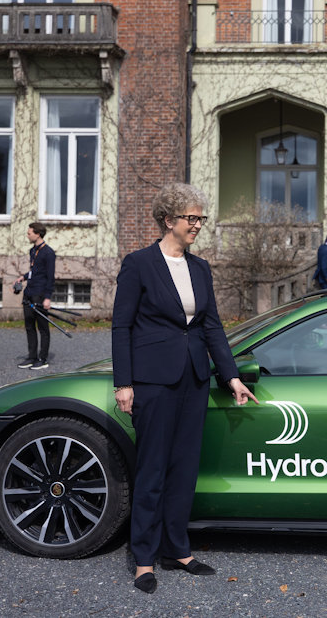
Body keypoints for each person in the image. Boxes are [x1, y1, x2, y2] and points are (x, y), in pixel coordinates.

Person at [112, 182, 258, 595]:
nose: (197, 225)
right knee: (153, 469)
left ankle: (176, 548)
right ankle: (144, 558)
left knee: (184, 469)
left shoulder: (200, 268)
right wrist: (124, 383)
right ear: (168, 220)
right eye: (191, 218)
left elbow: (211, 326)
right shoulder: (139, 264)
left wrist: (230, 376)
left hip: (194, 379)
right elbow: (121, 326)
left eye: (200, 218)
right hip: (154, 381)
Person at [15, 223, 56, 370]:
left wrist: (47, 297)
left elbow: (50, 276)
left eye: (29, 233)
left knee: (43, 328)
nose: (27, 235)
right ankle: (32, 357)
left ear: (37, 234)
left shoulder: (48, 253)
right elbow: (35, 271)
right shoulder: (33, 250)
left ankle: (42, 359)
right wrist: (24, 277)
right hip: (29, 292)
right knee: (29, 326)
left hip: (40, 294)